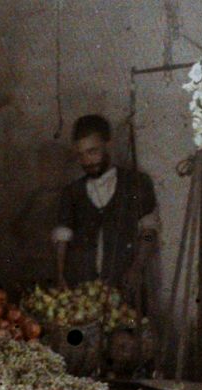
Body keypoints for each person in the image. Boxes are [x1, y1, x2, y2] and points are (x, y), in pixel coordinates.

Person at [51, 114, 160, 310]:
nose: (87, 161)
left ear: (108, 145)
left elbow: (149, 232)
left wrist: (137, 268)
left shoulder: (137, 183)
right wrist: (60, 276)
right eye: (81, 154)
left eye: (92, 152)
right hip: (83, 292)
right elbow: (62, 239)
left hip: (126, 288)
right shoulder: (71, 192)